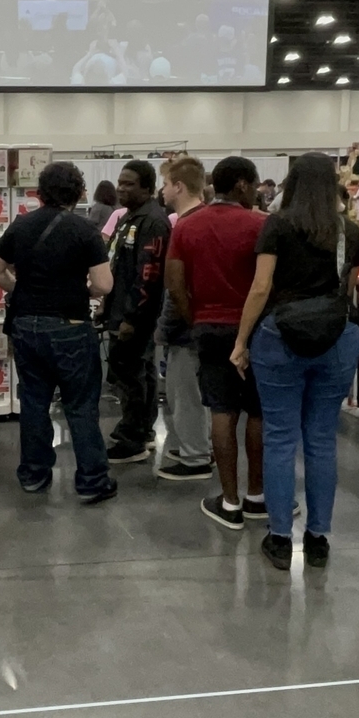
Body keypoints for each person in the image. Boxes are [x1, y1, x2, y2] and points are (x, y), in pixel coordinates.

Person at [228, 154, 359, 571]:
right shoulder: (350, 231)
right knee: (322, 440)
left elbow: (261, 286)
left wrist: (241, 340)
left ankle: (281, 538)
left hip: (280, 336)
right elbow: (350, 289)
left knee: (280, 437)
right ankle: (319, 538)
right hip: (338, 336)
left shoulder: (278, 225)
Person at [0, 161, 118, 502]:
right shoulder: (85, 230)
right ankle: (91, 480)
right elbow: (104, 284)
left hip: (26, 325)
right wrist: (84, 291)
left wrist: (16, 288)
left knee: (33, 400)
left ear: (40, 192)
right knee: (80, 404)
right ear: (77, 192)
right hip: (71, 327)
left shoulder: (22, 226)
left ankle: (34, 474)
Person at [167, 156, 266, 530]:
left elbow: (174, 283)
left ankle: (229, 502)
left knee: (221, 412)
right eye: (254, 184)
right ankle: (258, 496)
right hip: (254, 330)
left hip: (208, 327)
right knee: (258, 412)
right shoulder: (261, 224)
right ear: (242, 185)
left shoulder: (187, 227)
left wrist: (196, 318)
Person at [104, 160, 170, 464]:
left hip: (136, 314)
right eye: (120, 182)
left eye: (129, 184)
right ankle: (141, 431)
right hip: (119, 308)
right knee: (138, 372)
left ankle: (132, 439)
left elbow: (149, 275)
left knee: (130, 375)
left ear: (147, 187)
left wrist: (132, 317)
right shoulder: (128, 218)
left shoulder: (153, 222)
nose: (121, 188)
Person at [155, 157, 212, 480]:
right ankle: (199, 445)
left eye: (165, 184)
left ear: (178, 186)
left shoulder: (185, 226)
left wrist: (167, 327)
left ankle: (195, 456)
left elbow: (176, 286)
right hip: (206, 321)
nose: (161, 191)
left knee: (185, 393)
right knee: (195, 393)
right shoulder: (205, 220)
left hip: (188, 326)